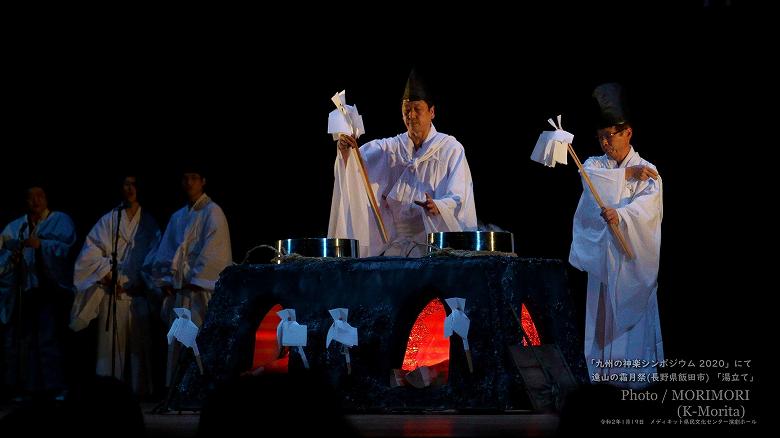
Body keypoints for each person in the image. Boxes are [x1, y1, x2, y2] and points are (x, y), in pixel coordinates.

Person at [568, 83, 663, 388]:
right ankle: (602, 379)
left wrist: (621, 215)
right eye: (601, 137)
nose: (606, 142)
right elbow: (588, 177)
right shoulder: (597, 166)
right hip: (604, 263)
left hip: (632, 264)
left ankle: (633, 380)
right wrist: (624, 175)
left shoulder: (648, 170)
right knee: (601, 323)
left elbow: (647, 212)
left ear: (628, 133)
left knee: (631, 319)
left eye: (611, 135)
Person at [328, 68, 478, 257]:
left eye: (417, 109)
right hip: (397, 247)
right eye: (407, 110)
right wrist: (346, 150)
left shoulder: (450, 148)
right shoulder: (392, 148)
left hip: (434, 243)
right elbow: (356, 165)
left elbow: (459, 196)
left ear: (431, 112)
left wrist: (439, 206)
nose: (411, 115)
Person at [70, 175, 160, 396]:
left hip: (137, 293)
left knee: (139, 349)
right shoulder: (110, 219)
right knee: (110, 350)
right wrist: (108, 275)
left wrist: (140, 282)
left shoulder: (149, 222)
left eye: (134, 184)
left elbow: (155, 258)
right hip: (112, 292)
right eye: (126, 184)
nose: (130, 188)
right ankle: (108, 395)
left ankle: (140, 393)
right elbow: (88, 254)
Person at [146, 167, 232, 385]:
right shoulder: (178, 216)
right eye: (185, 178)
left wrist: (194, 278)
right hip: (180, 291)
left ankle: (196, 389)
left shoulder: (213, 212)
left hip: (198, 291)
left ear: (203, 181)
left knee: (197, 339)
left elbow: (214, 252)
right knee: (178, 342)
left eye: (194, 178)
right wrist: (166, 279)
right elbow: (166, 250)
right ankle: (177, 389)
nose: (189, 183)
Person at [0, 185, 76, 400]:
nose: (35, 201)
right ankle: (29, 387)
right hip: (27, 290)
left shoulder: (60, 220)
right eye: (31, 197)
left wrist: (41, 244)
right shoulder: (16, 227)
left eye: (40, 196)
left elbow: (67, 247)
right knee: (26, 340)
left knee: (49, 339)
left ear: (46, 198)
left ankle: (56, 386)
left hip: (51, 290)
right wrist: (12, 259)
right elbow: (3, 255)